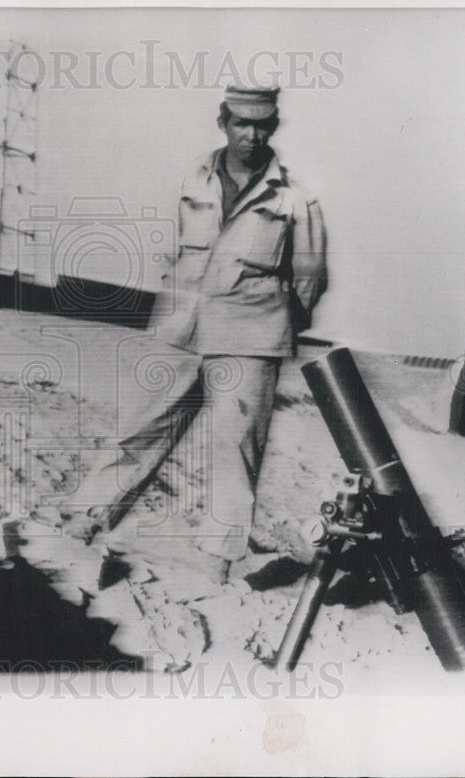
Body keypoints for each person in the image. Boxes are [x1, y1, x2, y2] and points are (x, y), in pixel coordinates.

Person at [51, 86, 327, 581]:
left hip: (252, 334)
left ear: (274, 127)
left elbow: (308, 278)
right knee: (141, 424)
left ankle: (216, 556)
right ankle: (87, 517)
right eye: (242, 122)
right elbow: (174, 249)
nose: (252, 133)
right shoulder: (193, 178)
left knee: (235, 446)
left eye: (262, 124)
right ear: (223, 121)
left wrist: (273, 325)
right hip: (181, 326)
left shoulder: (295, 198)